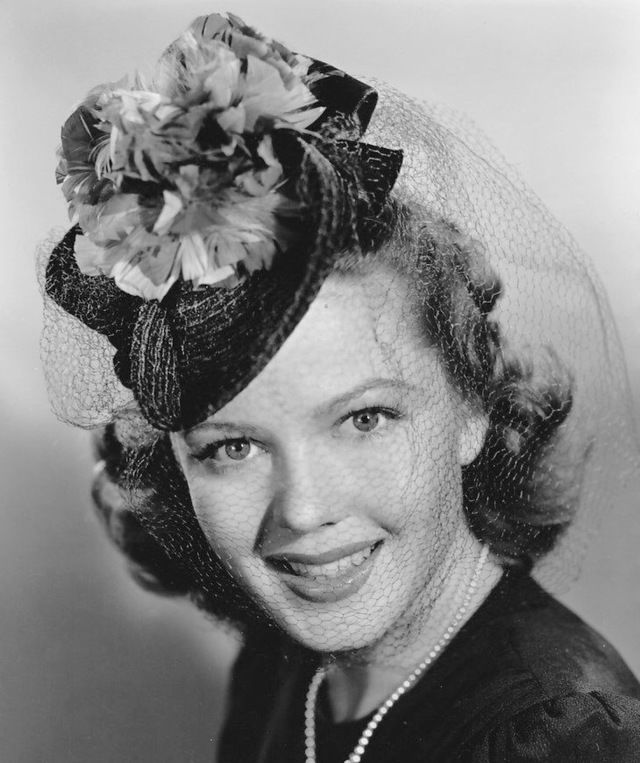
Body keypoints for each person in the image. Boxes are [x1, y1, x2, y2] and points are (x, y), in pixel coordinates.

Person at [40, 11, 640, 762]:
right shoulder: (284, 664)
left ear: (472, 407)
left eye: (364, 419)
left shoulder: (561, 735)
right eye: (231, 447)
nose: (303, 509)